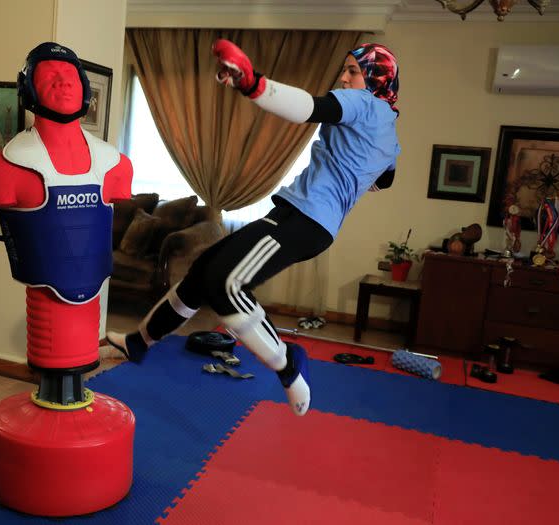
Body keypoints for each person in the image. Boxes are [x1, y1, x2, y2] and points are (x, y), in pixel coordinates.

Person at [107, 39, 401, 417]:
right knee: (203, 271)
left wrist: (253, 84)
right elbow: (385, 180)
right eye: (343, 69)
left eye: (353, 71)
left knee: (226, 285)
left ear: (377, 79)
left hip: (306, 220)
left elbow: (308, 108)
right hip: (297, 215)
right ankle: (140, 341)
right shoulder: (389, 131)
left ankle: (288, 365)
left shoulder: (364, 103)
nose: (343, 78)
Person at [0, 42, 132, 374]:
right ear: (29, 89)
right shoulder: (2, 167)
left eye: (69, 76)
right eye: (50, 76)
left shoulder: (115, 165)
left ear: (84, 90)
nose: (62, 82)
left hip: (88, 314)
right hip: (44, 320)